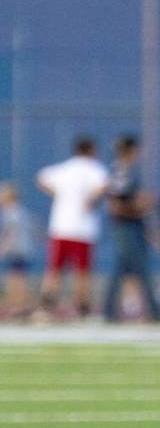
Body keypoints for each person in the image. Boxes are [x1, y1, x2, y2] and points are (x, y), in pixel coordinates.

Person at [35, 136, 109, 318]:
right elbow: (104, 186)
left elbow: (41, 178)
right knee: (82, 271)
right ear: (92, 150)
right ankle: (82, 308)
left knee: (54, 270)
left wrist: (57, 194)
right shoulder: (95, 169)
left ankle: (46, 307)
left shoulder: (64, 169)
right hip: (83, 229)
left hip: (61, 227)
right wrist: (90, 200)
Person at [103, 135, 160, 322]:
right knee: (142, 269)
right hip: (126, 228)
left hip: (130, 226)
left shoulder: (124, 171)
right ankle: (155, 312)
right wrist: (140, 207)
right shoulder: (121, 171)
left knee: (122, 269)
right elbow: (115, 205)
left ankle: (110, 312)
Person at [0, 182, 40, 319]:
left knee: (15, 279)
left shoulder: (11, 212)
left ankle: (17, 306)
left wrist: (3, 248)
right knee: (20, 277)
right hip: (25, 249)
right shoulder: (21, 210)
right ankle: (21, 306)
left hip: (16, 250)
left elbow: (12, 232)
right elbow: (35, 227)